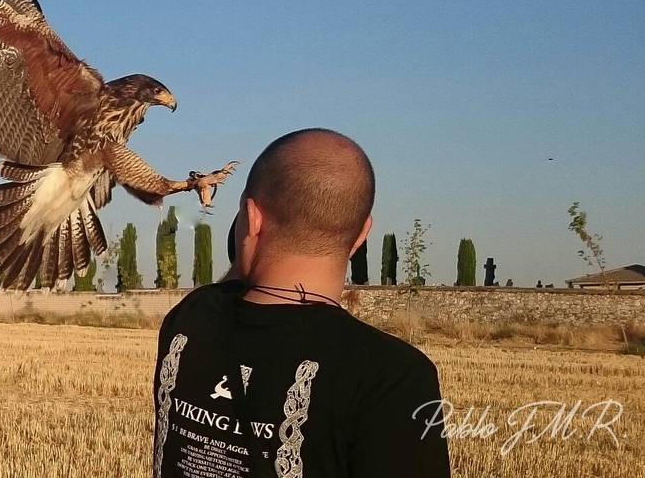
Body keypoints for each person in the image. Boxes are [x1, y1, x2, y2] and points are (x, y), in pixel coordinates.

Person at [152, 128, 450, 478]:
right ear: (361, 234)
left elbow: (230, 289)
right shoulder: (392, 377)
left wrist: (248, 239)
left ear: (251, 218)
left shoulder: (189, 321)